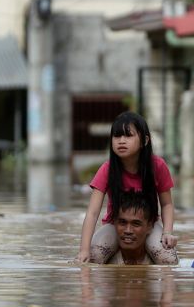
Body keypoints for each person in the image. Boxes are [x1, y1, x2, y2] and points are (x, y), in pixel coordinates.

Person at [76, 111, 178, 265]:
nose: (121, 141)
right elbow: (92, 212)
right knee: (94, 257)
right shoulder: (107, 169)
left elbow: (167, 204)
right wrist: (83, 250)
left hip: (148, 225)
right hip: (115, 225)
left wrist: (167, 232)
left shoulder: (158, 166)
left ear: (145, 140)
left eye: (128, 136)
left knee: (167, 259)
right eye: (117, 136)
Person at [108, 191, 157, 265]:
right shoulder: (103, 260)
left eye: (136, 224)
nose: (128, 231)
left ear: (149, 226)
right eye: (122, 222)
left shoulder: (161, 262)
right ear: (114, 223)